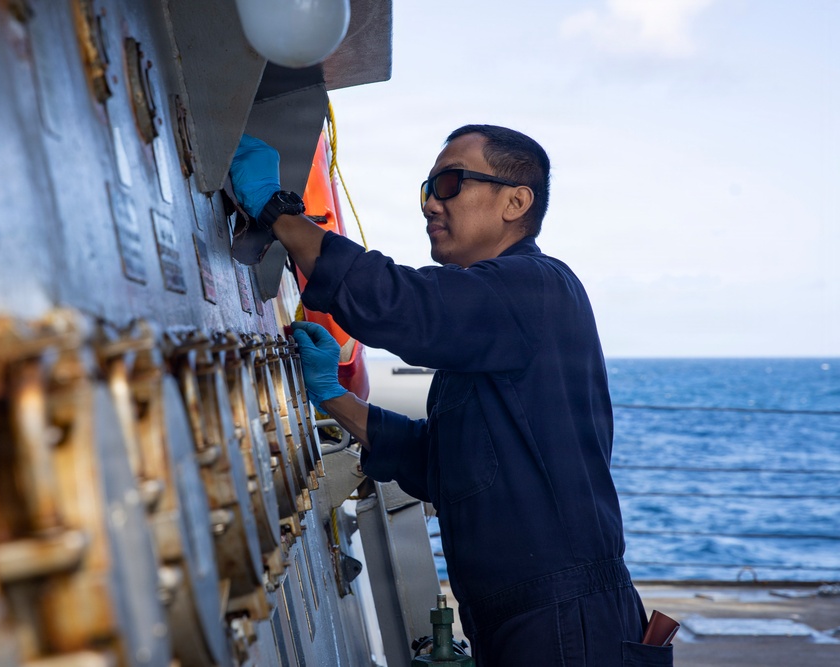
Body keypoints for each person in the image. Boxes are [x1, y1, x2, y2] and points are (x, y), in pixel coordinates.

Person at [230, 125, 672, 666]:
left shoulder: (534, 286)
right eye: (427, 189)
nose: (431, 204)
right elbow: (442, 462)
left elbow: (404, 306)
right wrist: (329, 395)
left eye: (450, 183)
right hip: (519, 619)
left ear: (515, 201)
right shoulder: (498, 325)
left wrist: (281, 214)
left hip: (563, 621)